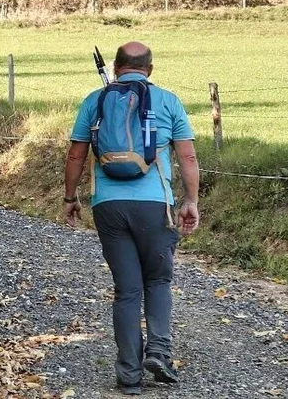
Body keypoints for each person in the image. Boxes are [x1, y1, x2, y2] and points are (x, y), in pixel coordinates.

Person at [62, 41, 201, 395]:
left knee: (127, 290)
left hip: (108, 206)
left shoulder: (96, 100)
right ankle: (159, 351)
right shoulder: (167, 101)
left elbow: (76, 155)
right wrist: (191, 201)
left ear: (116, 66)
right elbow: (187, 158)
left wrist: (70, 198)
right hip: (154, 205)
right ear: (150, 69)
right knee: (157, 281)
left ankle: (128, 376)